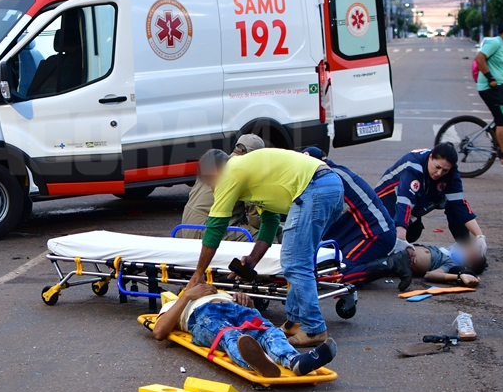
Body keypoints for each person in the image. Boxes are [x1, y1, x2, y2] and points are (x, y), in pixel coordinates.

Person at [186, 148, 344, 347]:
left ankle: (314, 329)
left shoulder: (230, 172)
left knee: (295, 263)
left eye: (210, 182)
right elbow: (269, 223)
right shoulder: (251, 175)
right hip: (327, 185)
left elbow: (215, 227)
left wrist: (198, 273)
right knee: (296, 260)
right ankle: (295, 322)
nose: (212, 190)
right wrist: (252, 260)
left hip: (314, 187)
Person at [152, 283, 337, 378]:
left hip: (237, 310)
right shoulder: (177, 303)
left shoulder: (219, 291)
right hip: (204, 315)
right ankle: (260, 362)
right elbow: (159, 332)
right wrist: (187, 296)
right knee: (230, 335)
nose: (200, 286)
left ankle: (296, 361)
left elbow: (246, 307)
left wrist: (244, 300)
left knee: (269, 331)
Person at [301, 147, 413, 291]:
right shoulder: (334, 173)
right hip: (365, 232)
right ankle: (371, 266)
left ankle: (392, 264)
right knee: (324, 267)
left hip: (374, 233)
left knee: (334, 277)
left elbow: (315, 215)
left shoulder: (329, 180)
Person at [375, 143, 486, 248]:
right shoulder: (413, 165)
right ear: (431, 157)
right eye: (437, 167)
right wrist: (401, 240)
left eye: (445, 170)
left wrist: (479, 236)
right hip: (387, 199)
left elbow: (459, 204)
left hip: (420, 194)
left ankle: (465, 246)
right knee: (398, 237)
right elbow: (404, 204)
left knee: (453, 207)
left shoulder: (451, 171)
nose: (439, 173)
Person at [179, 134, 265, 241]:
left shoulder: (215, 162)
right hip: (207, 229)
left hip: (187, 226)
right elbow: (257, 220)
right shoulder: (244, 172)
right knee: (266, 239)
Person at [475, 20, 503, 167]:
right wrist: (490, 78)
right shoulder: (495, 42)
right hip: (491, 88)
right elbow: (479, 58)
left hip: (502, 85)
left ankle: (497, 137)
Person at [410, 239, 487, 287]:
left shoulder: (451, 263)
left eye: (472, 252)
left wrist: (459, 277)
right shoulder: (443, 253)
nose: (468, 248)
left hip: (402, 258)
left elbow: (430, 275)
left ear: (469, 263)